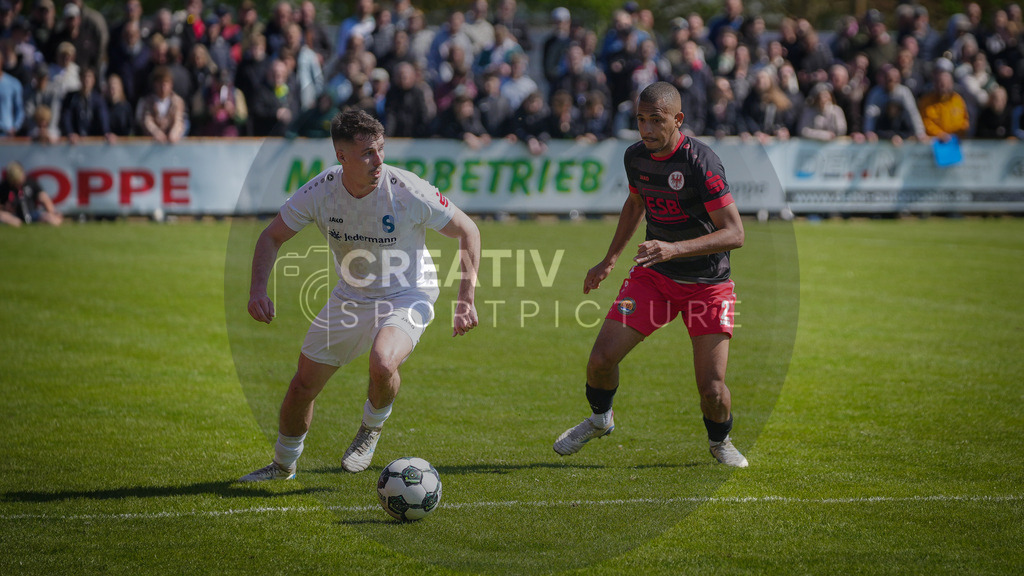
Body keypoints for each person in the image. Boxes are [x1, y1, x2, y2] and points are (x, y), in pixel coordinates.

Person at [238, 110, 480, 482]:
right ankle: (283, 465)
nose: (378, 160)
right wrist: (257, 290)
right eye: (367, 153)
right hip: (351, 296)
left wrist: (466, 300)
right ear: (342, 157)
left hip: (408, 292)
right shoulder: (321, 192)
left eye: (381, 149)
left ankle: (371, 428)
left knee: (383, 362)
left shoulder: (407, 189)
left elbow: (468, 230)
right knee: (303, 386)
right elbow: (271, 236)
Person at [552, 81, 747, 468]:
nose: (646, 129)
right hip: (653, 277)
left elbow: (735, 233)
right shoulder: (635, 157)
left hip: (707, 287)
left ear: (678, 120)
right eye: (640, 120)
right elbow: (636, 203)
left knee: (712, 389)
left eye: (656, 120)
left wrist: (674, 247)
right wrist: (609, 260)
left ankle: (720, 441)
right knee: (600, 360)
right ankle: (599, 419)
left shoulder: (700, 162)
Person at [1, 161, 63, 227]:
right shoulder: (4, 187)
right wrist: (5, 208)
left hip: (32, 213)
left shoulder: (31, 183)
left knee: (53, 220)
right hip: (13, 215)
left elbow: (44, 198)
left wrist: (52, 212)